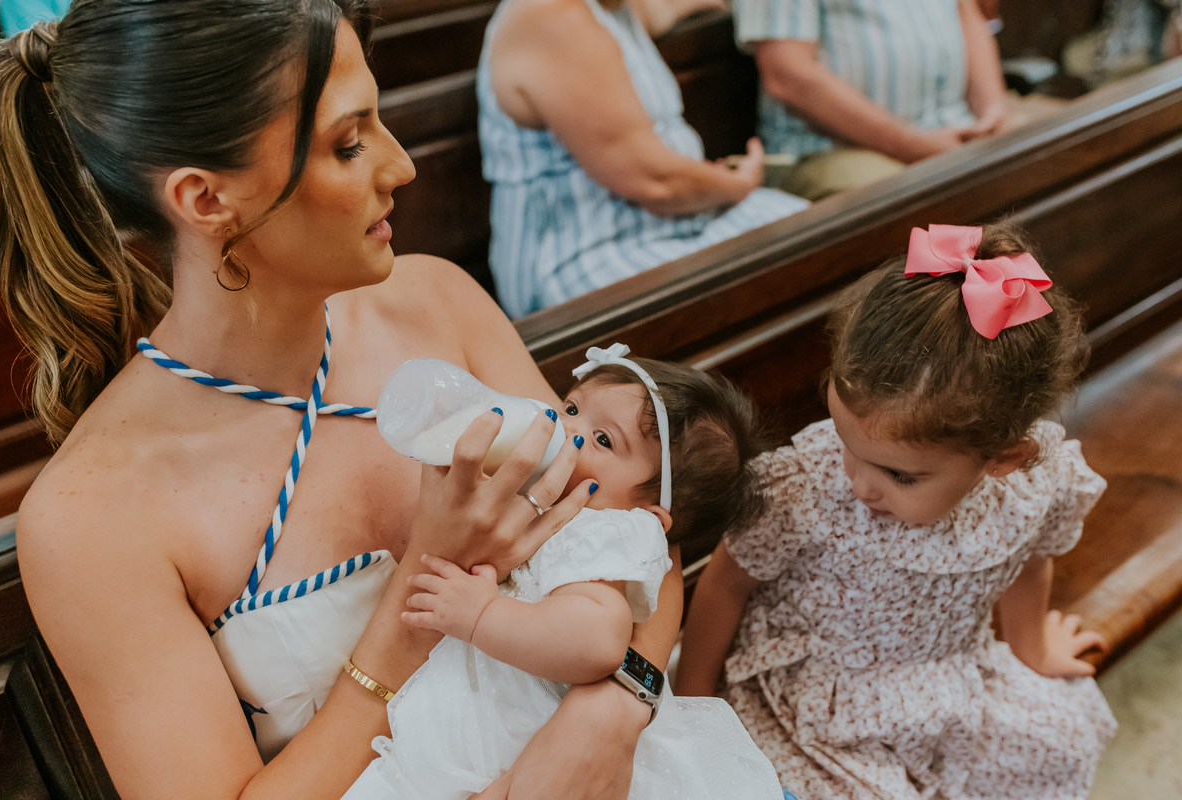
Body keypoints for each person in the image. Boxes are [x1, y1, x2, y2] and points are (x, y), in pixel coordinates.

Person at [0, 2, 685, 798]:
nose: (400, 166)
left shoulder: (438, 305)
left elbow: (638, 532)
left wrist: (617, 706)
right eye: (348, 144)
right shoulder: (93, 514)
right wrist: (428, 576)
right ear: (206, 199)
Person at [675, 222, 1118, 798]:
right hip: (814, 704)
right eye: (846, 444)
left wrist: (1031, 651)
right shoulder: (806, 486)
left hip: (946, 683)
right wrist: (692, 714)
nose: (859, 485)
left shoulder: (1035, 484)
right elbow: (724, 585)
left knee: (1059, 740)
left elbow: (1028, 559)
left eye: (899, 475)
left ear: (1003, 459)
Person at [342, 346, 792, 799]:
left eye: (603, 440)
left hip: (535, 742)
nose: (566, 430)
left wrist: (481, 615)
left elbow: (597, 640)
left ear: (649, 515)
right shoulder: (552, 506)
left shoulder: (606, 530)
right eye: (571, 407)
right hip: (479, 738)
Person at [478, 0, 809, 318]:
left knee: (805, 229)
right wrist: (740, 182)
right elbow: (655, 183)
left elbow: (663, 7)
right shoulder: (553, 15)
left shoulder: (613, 6)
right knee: (792, 256)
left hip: (674, 223)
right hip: (586, 258)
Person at [732, 0, 1013, 200]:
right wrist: (915, 146)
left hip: (953, 128)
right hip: (830, 151)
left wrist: (993, 109)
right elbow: (789, 76)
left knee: (1036, 151)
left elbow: (967, 12)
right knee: (904, 200)